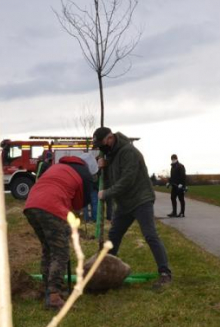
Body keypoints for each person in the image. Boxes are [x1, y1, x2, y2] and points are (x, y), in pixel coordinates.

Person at [92, 127, 173, 290]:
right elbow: (109, 180)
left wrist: (106, 194)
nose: (100, 148)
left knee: (150, 235)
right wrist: (102, 168)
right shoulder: (109, 154)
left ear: (109, 138)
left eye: (101, 144)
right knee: (114, 235)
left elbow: (127, 180)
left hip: (140, 199)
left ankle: (165, 274)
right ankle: (106, 272)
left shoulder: (129, 152)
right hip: (124, 203)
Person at [24, 156, 93, 309]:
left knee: (48, 249)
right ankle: (54, 296)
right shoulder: (83, 174)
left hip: (31, 205)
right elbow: (79, 203)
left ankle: (47, 289)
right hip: (51, 208)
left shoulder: (56, 167)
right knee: (60, 252)